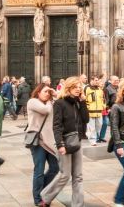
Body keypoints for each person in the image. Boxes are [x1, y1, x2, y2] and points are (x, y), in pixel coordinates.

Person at [40, 76, 89, 207]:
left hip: (77, 142)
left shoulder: (78, 102)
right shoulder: (60, 103)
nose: (78, 89)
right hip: (64, 142)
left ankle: (77, 204)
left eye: (80, 87)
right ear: (68, 88)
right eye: (75, 87)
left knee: (78, 176)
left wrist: (83, 102)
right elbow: (56, 125)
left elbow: (86, 119)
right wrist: (60, 144)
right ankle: (45, 196)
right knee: (65, 175)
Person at [27, 83, 59, 206]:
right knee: (39, 170)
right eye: (45, 91)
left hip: (50, 141)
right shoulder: (32, 102)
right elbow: (45, 110)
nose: (47, 94)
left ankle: (43, 192)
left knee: (55, 168)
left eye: (49, 92)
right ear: (38, 92)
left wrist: (55, 95)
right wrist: (52, 100)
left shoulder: (50, 103)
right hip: (38, 141)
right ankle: (38, 199)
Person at [85, 75, 106, 146]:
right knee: (92, 126)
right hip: (90, 110)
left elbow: (103, 98)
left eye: (97, 80)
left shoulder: (100, 89)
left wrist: (103, 106)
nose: (97, 82)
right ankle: (92, 140)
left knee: (99, 125)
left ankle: (91, 134)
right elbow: (84, 98)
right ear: (92, 80)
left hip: (99, 110)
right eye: (96, 80)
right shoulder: (87, 88)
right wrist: (87, 107)